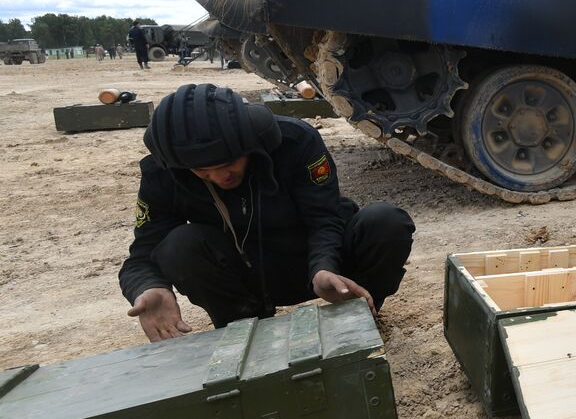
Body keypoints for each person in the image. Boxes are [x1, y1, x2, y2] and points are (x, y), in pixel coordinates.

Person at [119, 84, 415, 341]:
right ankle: (245, 330)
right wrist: (150, 286)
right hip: (244, 279)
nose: (221, 177)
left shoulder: (295, 141)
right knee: (177, 246)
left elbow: (325, 217)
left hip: (324, 269)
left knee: (386, 222)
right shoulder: (162, 172)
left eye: (228, 163)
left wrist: (324, 266)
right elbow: (144, 253)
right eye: (203, 171)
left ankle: (361, 315)